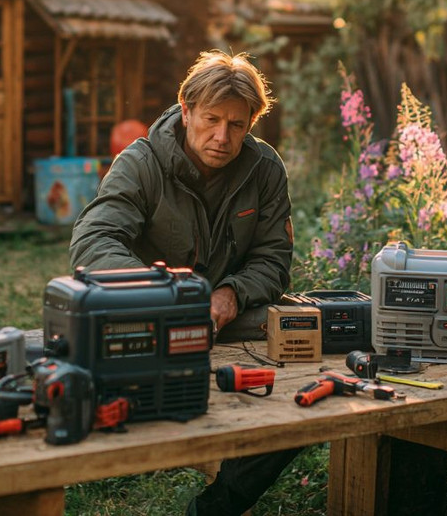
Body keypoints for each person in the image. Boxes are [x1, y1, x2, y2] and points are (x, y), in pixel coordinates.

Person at [69, 50, 299, 516]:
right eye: (211, 119)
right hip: (150, 319)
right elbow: (93, 241)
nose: (222, 137)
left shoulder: (265, 169)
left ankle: (219, 504)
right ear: (186, 109)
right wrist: (169, 296)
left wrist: (231, 294)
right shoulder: (142, 161)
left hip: (230, 319)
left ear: (252, 122)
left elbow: (274, 258)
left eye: (237, 125)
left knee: (301, 361)